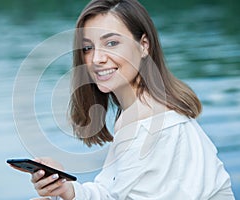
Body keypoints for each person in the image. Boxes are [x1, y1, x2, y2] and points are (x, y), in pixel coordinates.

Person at [29, 0, 235, 199]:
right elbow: (114, 192)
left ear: (144, 45)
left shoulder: (151, 126)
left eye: (111, 43)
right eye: (87, 48)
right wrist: (66, 190)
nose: (97, 58)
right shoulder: (136, 115)